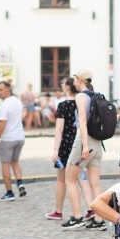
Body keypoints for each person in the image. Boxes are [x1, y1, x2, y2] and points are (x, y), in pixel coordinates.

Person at [61, 69, 106, 230]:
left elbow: (82, 122)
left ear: (79, 80)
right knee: (95, 184)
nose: (73, 81)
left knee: (69, 179)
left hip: (84, 142)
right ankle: (100, 220)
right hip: (98, 142)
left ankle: (77, 217)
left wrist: (84, 145)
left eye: (74, 78)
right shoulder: (96, 95)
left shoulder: (81, 96)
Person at [46, 77, 80, 220]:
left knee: (62, 180)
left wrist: (55, 150)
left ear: (67, 88)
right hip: (79, 143)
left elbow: (59, 130)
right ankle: (90, 211)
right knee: (82, 180)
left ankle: (58, 211)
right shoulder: (82, 103)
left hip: (66, 145)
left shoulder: (63, 105)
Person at [0, 80, 26, 201]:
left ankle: (9, 192)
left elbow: (2, 125)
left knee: (5, 164)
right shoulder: (18, 102)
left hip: (8, 138)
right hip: (20, 137)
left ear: (7, 90)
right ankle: (20, 183)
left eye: (0, 89)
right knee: (15, 161)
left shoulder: (4, 105)